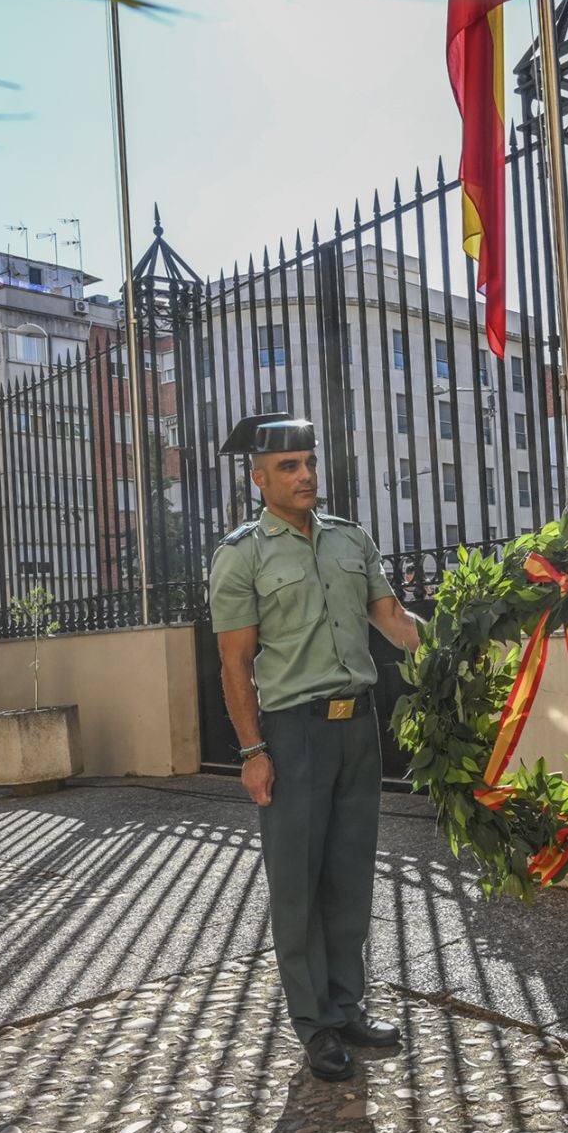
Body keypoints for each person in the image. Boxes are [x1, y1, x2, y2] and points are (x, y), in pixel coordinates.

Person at [208, 412, 424, 1083]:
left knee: (351, 875)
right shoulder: (242, 553)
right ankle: (315, 1024)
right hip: (294, 733)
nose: (305, 475)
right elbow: (234, 664)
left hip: (358, 726)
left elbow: (393, 622)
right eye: (289, 466)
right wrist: (252, 751)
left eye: (309, 462)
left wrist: (464, 632)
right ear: (259, 477)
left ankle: (347, 1003)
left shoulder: (350, 540)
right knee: (298, 882)